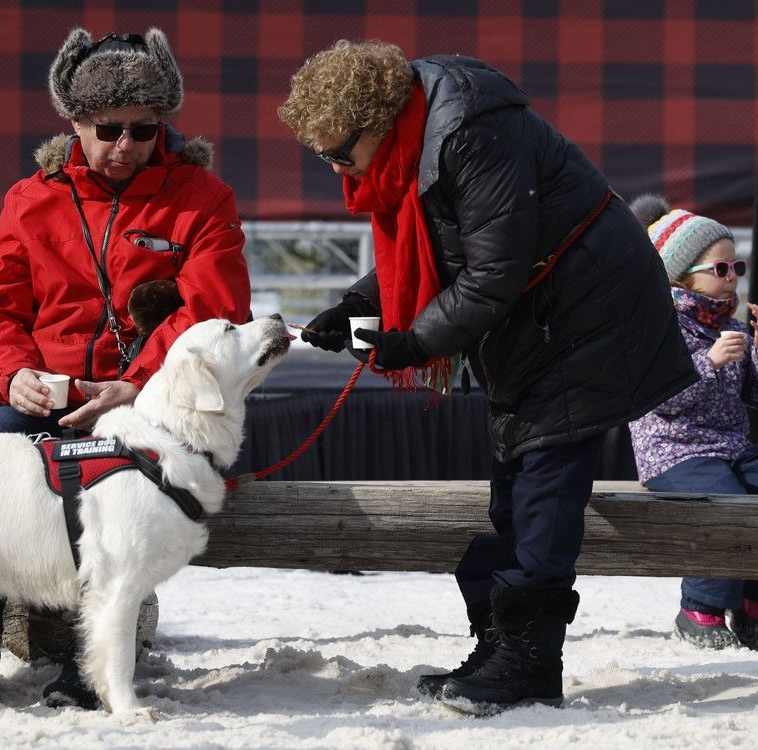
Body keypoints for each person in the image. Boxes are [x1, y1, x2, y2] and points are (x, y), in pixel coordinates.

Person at [278, 42, 696, 715]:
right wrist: (357, 305)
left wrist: (412, 341)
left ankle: (530, 662)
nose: (335, 168)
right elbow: (439, 245)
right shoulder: (420, 136)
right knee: (513, 489)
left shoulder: (473, 135)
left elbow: (490, 272)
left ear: (378, 122)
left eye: (339, 151)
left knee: (541, 486)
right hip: (539, 319)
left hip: (592, 316)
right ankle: (503, 647)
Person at [0, 27, 251, 710]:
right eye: (108, 129)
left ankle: (93, 659)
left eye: (145, 130)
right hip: (44, 396)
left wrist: (136, 383)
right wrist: (14, 374)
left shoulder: (203, 199)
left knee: (110, 489)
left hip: (147, 407)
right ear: (73, 120)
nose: (127, 146)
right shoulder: (32, 199)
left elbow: (215, 314)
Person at [628, 195, 758, 651]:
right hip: (675, 449)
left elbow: (753, 396)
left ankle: (751, 606)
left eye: (735, 268)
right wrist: (710, 362)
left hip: (730, 446)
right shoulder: (657, 323)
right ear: (681, 276)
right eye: (720, 270)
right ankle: (698, 607)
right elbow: (661, 398)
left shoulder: (733, 326)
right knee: (725, 504)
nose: (731, 279)